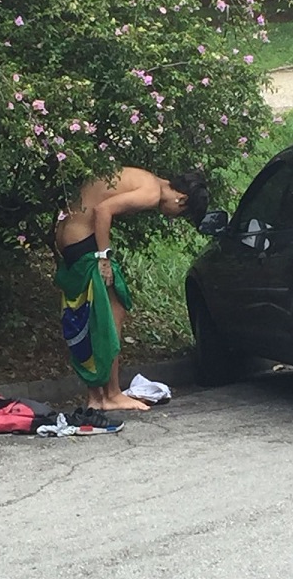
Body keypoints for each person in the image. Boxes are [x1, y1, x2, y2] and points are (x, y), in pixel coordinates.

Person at [54, 166, 208, 411]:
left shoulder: (146, 177)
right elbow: (103, 210)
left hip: (70, 237)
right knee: (110, 315)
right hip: (83, 242)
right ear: (182, 200)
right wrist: (104, 258)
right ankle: (112, 394)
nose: (170, 216)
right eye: (179, 214)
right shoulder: (151, 192)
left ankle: (97, 397)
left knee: (94, 316)